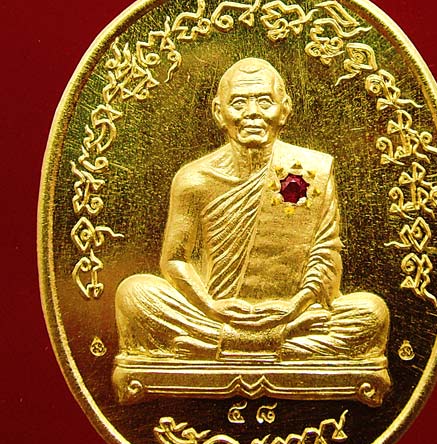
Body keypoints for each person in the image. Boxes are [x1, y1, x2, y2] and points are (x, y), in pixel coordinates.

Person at [115, 57, 389, 362]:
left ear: (284, 109)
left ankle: (219, 346)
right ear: (219, 112)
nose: (252, 113)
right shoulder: (194, 179)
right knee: (134, 293)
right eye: (239, 103)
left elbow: (326, 255)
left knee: (371, 312)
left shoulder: (313, 170)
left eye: (264, 101)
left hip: (294, 315)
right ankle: (269, 344)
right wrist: (210, 306)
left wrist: (295, 306)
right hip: (214, 314)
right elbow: (175, 260)